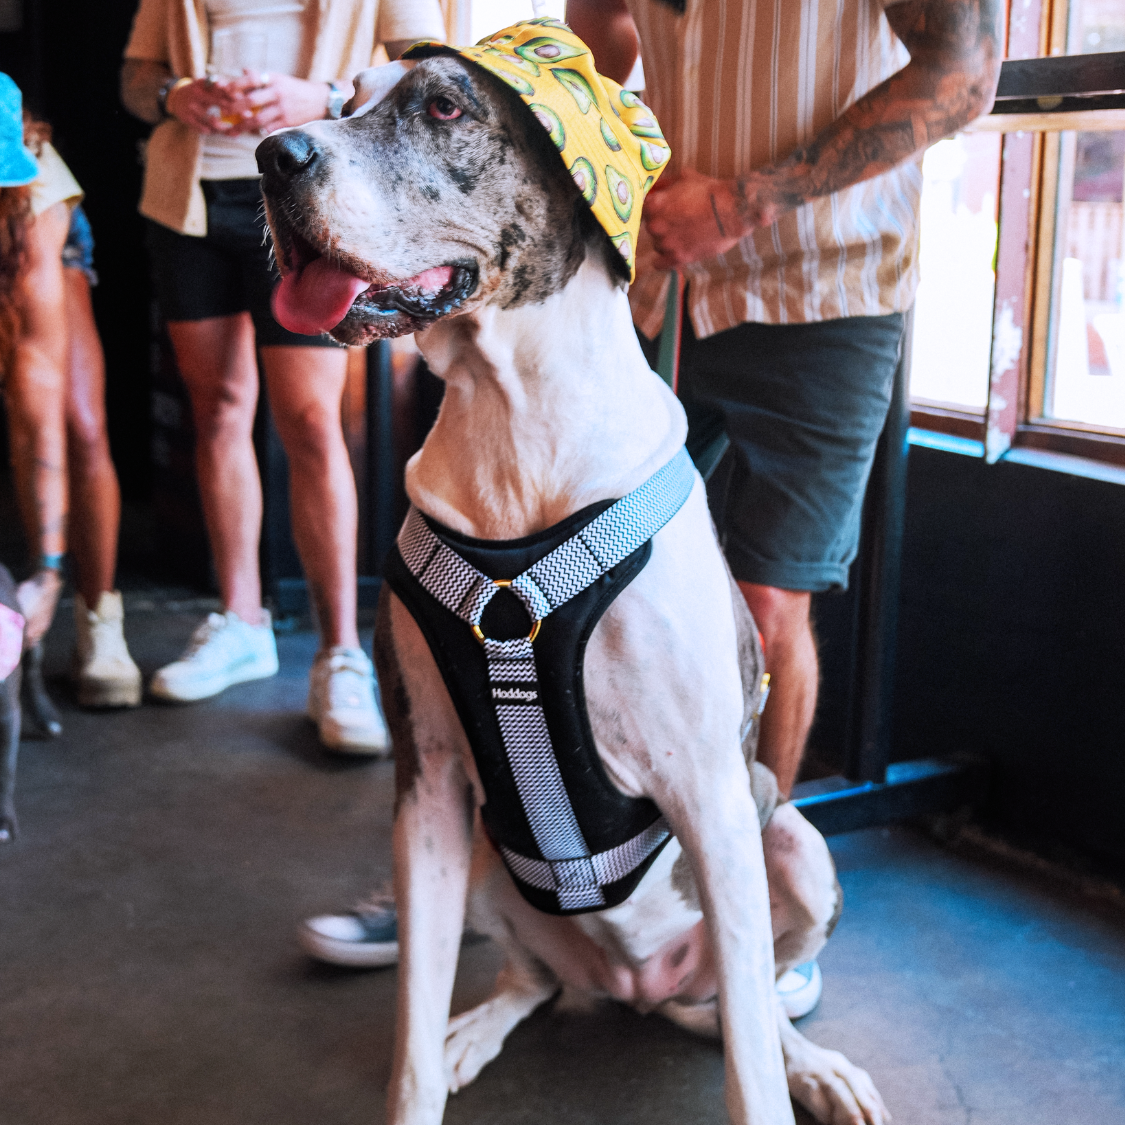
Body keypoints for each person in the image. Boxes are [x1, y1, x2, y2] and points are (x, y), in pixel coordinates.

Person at [298, 0, 1002, 1007]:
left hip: (818, 285)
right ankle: (472, 880)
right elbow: (592, 49)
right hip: (652, 282)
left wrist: (745, 202)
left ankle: (745, 917)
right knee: (526, 601)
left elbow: (963, 74)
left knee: (763, 604)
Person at [119, 0, 445, 751]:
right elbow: (136, 78)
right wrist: (176, 96)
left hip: (314, 195)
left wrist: (325, 98)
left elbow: (430, 66)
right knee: (217, 411)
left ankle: (341, 656)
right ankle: (241, 621)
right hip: (191, 199)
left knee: (309, 422)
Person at [0, 73, 142, 722]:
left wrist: (46, 567)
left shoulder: (33, 198)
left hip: (30, 242)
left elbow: (34, 389)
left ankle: (97, 616)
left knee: (79, 421)